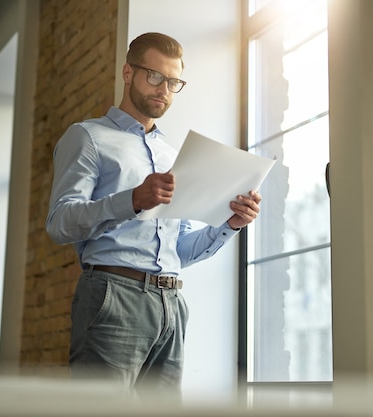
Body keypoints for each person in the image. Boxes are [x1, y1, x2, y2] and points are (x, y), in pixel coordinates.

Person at [45, 32, 261, 401]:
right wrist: (132, 200)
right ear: (128, 73)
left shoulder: (172, 155)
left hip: (172, 305)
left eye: (174, 82)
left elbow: (179, 251)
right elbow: (60, 223)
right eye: (154, 76)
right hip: (113, 296)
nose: (164, 90)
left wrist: (229, 226)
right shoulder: (87, 137)